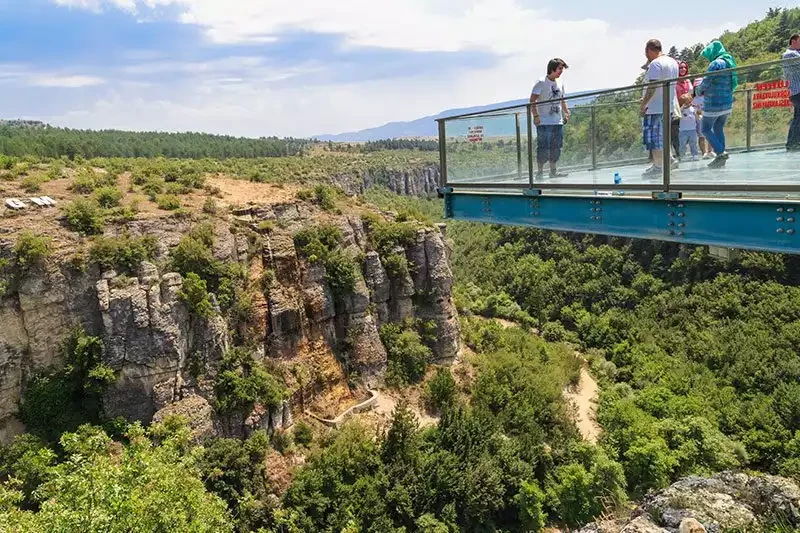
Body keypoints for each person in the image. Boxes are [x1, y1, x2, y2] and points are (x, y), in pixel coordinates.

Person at [694, 40, 737, 168]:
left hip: (714, 103)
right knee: (718, 127)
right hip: (727, 102)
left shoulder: (715, 64)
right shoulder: (729, 62)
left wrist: (696, 91)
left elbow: (706, 82)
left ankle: (720, 153)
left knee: (705, 129)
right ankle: (720, 158)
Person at [640, 39, 680, 177]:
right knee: (663, 136)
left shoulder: (656, 64)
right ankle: (669, 160)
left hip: (654, 107)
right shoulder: (673, 62)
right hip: (667, 105)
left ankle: (658, 166)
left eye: (647, 53)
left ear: (649, 50)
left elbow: (652, 86)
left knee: (654, 138)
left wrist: (644, 103)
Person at [530, 58, 571, 178]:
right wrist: (536, 116)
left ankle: (553, 171)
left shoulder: (560, 82)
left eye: (562, 69)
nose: (561, 71)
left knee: (556, 147)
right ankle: (540, 172)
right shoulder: (541, 82)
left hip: (557, 121)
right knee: (543, 147)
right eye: (559, 68)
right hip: (544, 121)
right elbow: (532, 100)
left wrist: (566, 112)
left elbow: (562, 99)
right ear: (552, 68)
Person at [783, 33, 800, 152]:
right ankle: (792, 143)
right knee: (798, 118)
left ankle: (792, 143)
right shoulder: (790, 54)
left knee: (797, 117)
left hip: (796, 91)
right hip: (797, 90)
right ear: (793, 41)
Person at [672, 61, 692, 155]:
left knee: (688, 131)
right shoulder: (673, 81)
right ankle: (678, 153)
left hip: (687, 109)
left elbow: (691, 93)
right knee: (675, 132)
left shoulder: (688, 81)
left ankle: (683, 150)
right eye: (680, 68)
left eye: (684, 67)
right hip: (677, 110)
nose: (683, 69)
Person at [692, 77, 714, 158]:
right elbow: (693, 110)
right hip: (699, 120)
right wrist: (697, 113)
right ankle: (704, 152)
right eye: (697, 87)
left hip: (708, 118)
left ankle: (710, 151)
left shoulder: (708, 97)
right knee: (701, 136)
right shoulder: (694, 99)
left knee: (710, 134)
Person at [678, 93, 700, 160]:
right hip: (683, 130)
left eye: (690, 102)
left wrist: (698, 113)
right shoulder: (681, 110)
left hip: (692, 129)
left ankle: (695, 154)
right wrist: (683, 107)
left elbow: (697, 116)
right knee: (682, 144)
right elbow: (678, 114)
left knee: (693, 143)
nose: (689, 104)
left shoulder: (693, 108)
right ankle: (682, 155)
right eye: (686, 102)